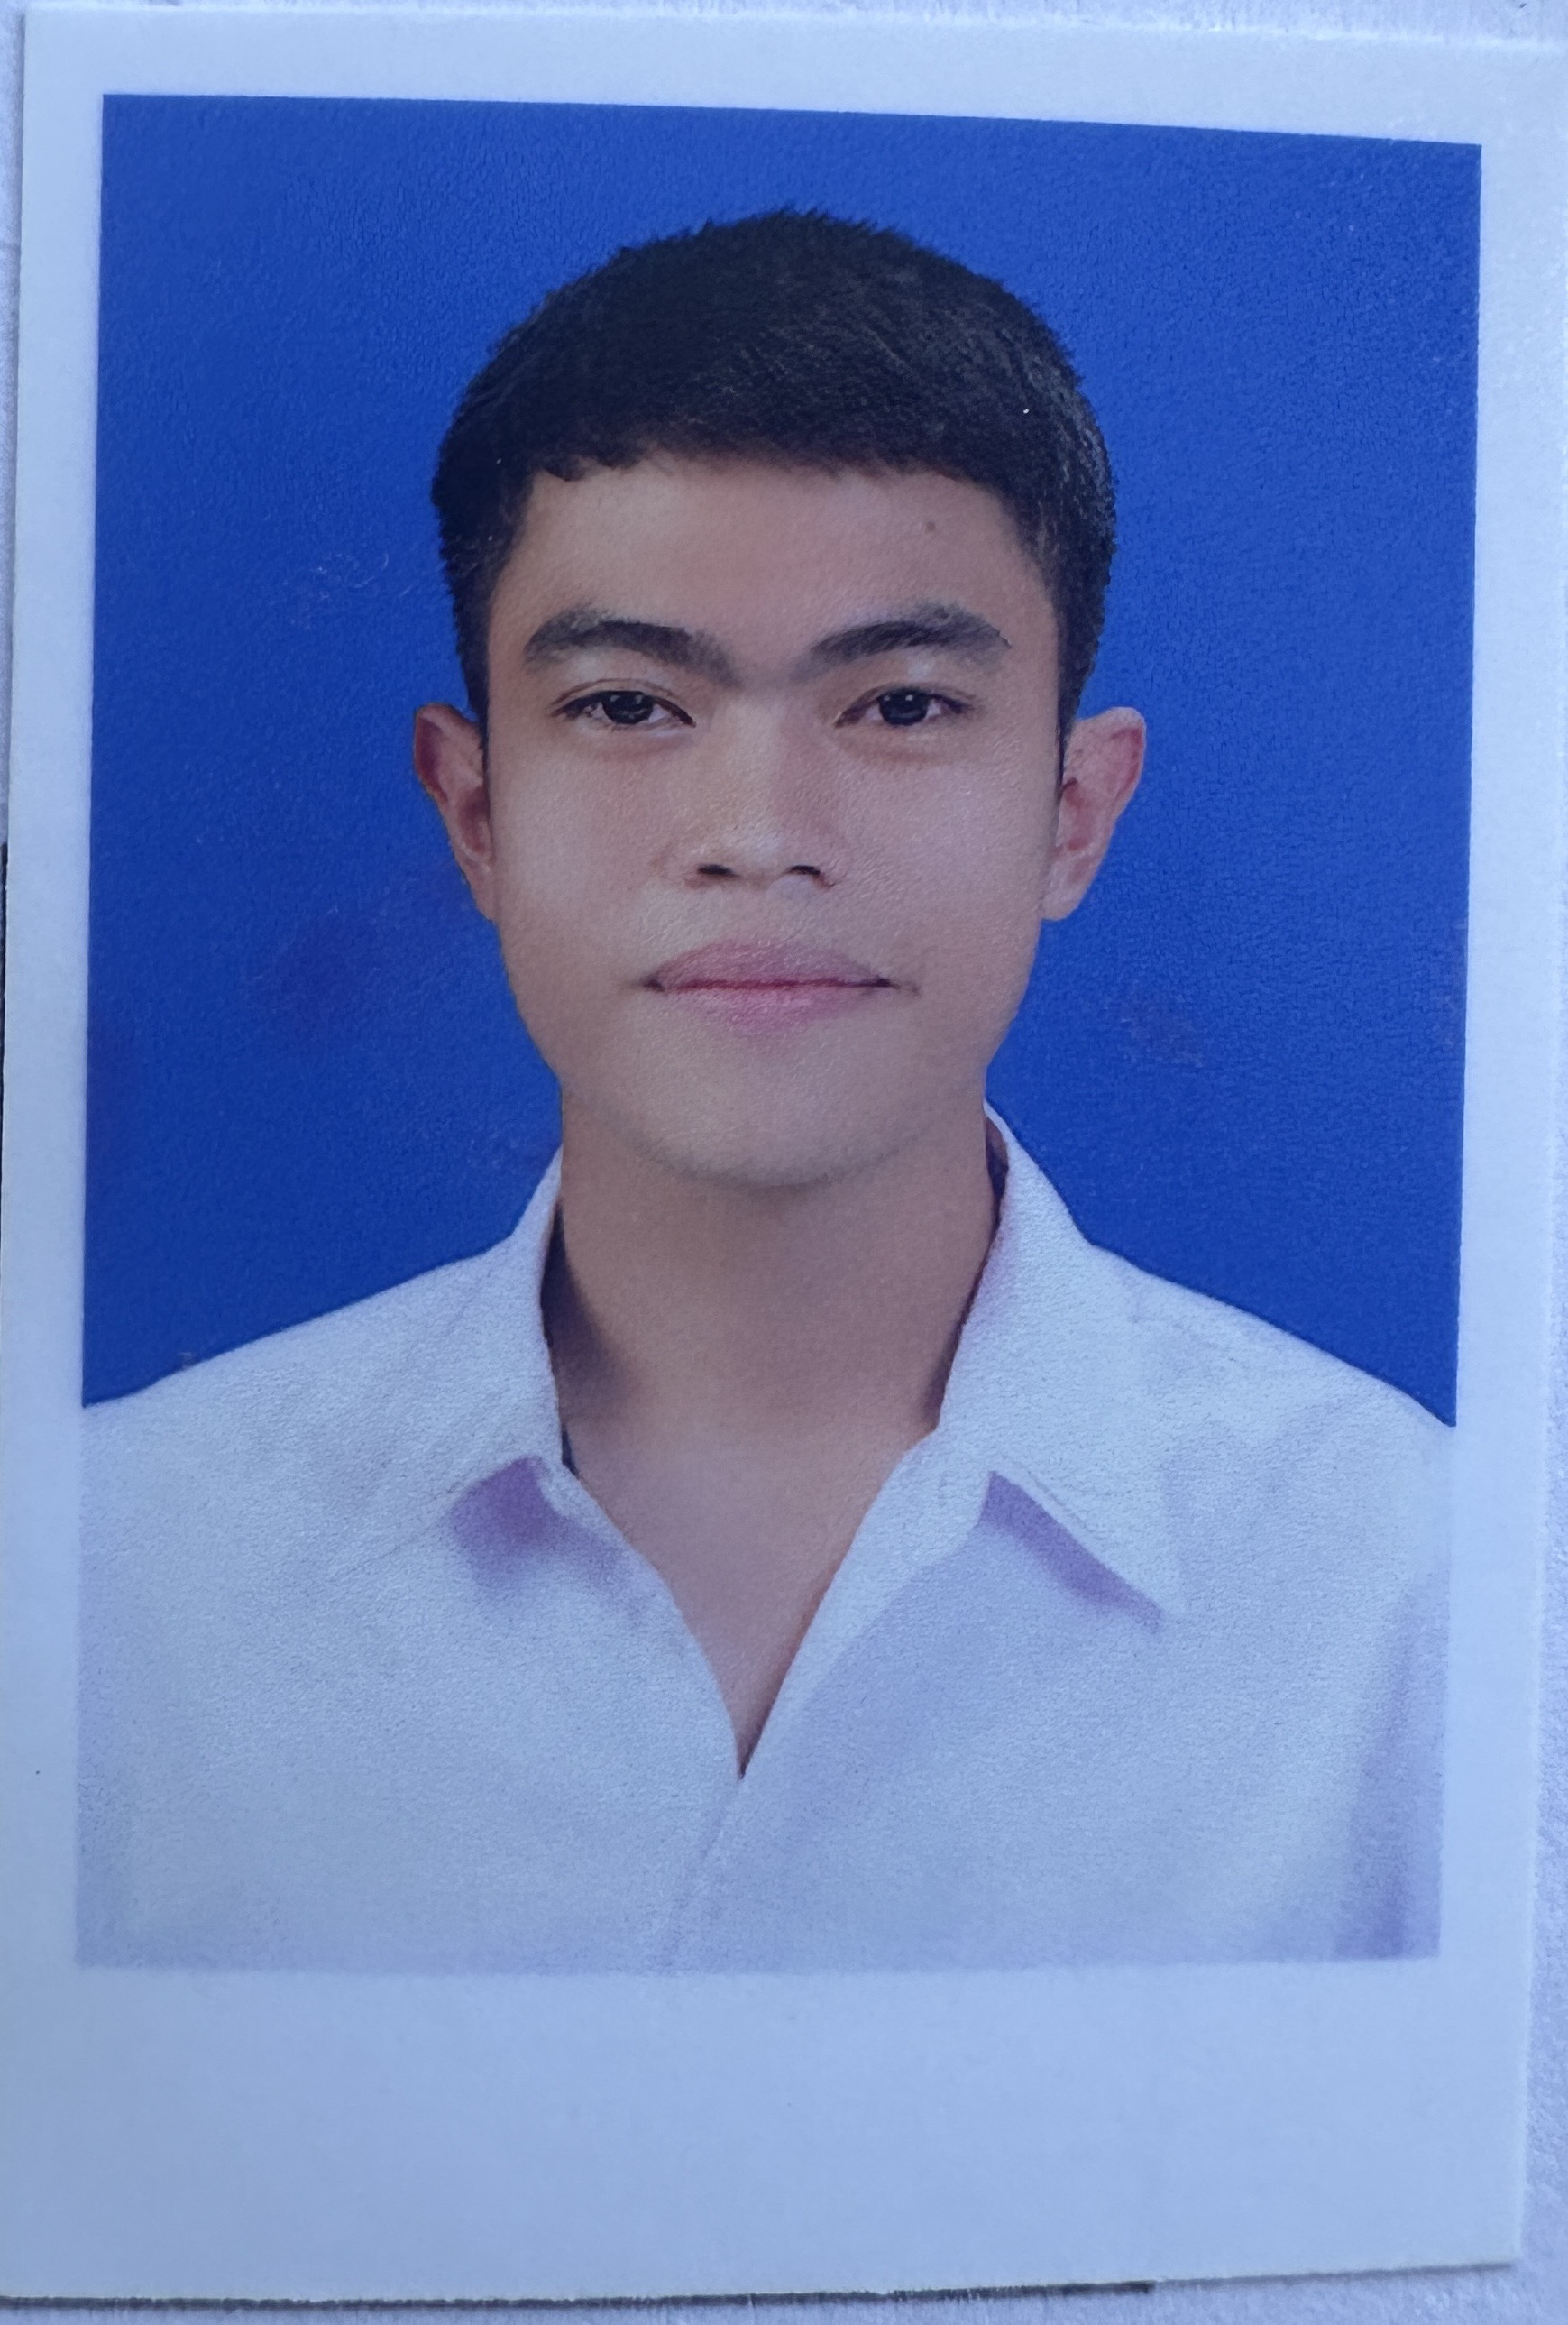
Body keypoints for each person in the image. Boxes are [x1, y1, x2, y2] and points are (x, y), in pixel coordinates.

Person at [79, 212, 1447, 1973]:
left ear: (1073, 814)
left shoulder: (1411, 1589)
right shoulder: (111, 1566)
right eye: (630, 704)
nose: (758, 835)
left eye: (901, 705)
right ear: (475, 813)